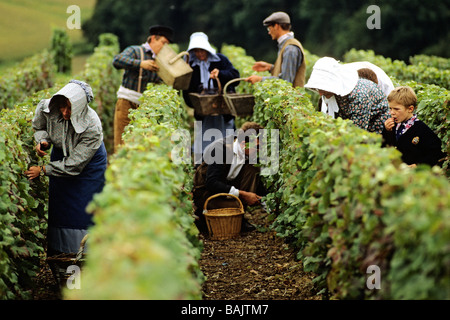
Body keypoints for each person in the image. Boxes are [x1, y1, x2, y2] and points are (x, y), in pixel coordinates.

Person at [24, 80, 107, 256]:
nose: (65, 112)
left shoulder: (92, 127)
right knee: (61, 205)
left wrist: (44, 170)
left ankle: (87, 257)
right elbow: (39, 126)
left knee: (85, 209)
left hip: (89, 165)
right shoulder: (47, 108)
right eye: (62, 106)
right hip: (60, 159)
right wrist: (43, 141)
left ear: (80, 107)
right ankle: (62, 258)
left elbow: (75, 165)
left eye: (70, 108)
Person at [192, 122, 268, 233]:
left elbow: (257, 183)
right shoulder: (220, 148)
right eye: (257, 147)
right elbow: (211, 183)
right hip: (207, 192)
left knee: (253, 168)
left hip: (227, 187)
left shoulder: (251, 154)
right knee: (226, 208)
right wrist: (243, 194)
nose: (260, 150)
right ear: (243, 144)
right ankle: (205, 215)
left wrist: (266, 202)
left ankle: (238, 216)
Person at [112, 25, 174, 152]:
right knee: (122, 142)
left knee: (142, 144)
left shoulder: (160, 60)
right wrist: (140, 64)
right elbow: (117, 61)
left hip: (146, 108)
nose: (164, 47)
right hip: (126, 103)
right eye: (163, 43)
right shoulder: (135, 50)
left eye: (167, 45)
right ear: (153, 39)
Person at [182, 32, 240, 164]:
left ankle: (227, 165)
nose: (200, 54)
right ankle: (204, 168)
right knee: (204, 137)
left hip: (222, 109)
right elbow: (186, 89)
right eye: (196, 51)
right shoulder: (190, 65)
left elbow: (235, 77)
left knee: (226, 137)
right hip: (204, 111)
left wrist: (221, 74)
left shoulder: (220, 60)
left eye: (202, 50)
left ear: (207, 49)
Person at [305, 57, 390, 134]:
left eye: (323, 90)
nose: (320, 93)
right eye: (318, 89)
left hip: (377, 127)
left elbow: (358, 130)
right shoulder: (331, 92)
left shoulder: (359, 96)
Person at [382, 86, 445, 167]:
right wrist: (387, 131)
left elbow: (435, 154)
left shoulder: (421, 129)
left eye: (396, 109)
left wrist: (417, 165)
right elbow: (384, 147)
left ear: (410, 109)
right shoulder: (392, 126)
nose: (392, 112)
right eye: (390, 108)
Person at [246, 11, 306, 87]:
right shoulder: (286, 45)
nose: (269, 32)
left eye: (269, 29)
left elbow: (286, 81)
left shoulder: (290, 49)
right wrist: (270, 68)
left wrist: (260, 79)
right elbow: (287, 72)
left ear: (276, 26)